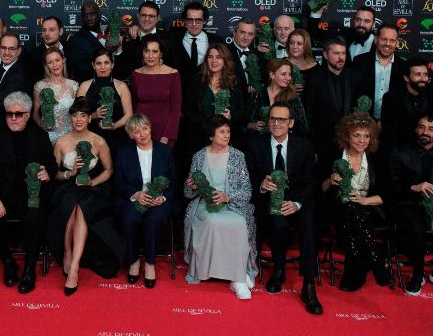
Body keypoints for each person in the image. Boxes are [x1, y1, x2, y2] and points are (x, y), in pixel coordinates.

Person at [246, 102, 323, 314]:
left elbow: (310, 182)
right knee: (277, 222)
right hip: (268, 200)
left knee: (308, 224)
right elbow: (249, 177)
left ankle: (309, 283)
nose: (276, 123)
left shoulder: (304, 146)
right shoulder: (256, 145)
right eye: (273, 119)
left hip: (299, 200)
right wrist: (261, 185)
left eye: (281, 120)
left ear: (291, 123)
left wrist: (296, 203)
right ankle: (278, 269)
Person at [0, 92, 56, 293]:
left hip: (31, 196)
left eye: (18, 114)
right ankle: (8, 262)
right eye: (9, 114)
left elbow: (52, 165)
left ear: (28, 114)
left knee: (35, 218)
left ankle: (30, 268)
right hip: (3, 195)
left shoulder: (40, 136)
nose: (13, 118)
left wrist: (47, 173)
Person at [50, 97, 124, 295]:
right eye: (74, 116)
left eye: (83, 115)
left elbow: (109, 170)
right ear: (70, 119)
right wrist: (70, 172)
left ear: (89, 118)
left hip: (93, 188)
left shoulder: (99, 141)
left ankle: (74, 266)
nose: (78, 119)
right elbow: (54, 173)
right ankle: (67, 251)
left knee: (82, 207)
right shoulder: (61, 142)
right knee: (70, 204)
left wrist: (94, 181)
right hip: (66, 186)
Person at [184, 115, 257, 299]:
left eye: (228, 131)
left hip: (232, 205)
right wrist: (191, 186)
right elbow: (187, 192)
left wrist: (227, 196)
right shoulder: (199, 157)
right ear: (211, 134)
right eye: (222, 132)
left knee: (239, 224)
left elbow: (247, 190)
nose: (226, 135)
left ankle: (237, 279)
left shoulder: (238, 156)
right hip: (204, 205)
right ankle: (223, 274)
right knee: (212, 222)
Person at [321, 113, 390, 291]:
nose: (362, 140)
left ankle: (353, 278)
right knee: (352, 210)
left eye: (366, 136)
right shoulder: (333, 155)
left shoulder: (376, 160)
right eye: (356, 135)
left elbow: (388, 194)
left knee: (355, 218)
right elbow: (319, 188)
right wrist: (330, 179)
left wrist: (365, 200)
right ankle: (375, 259)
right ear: (347, 136)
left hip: (369, 207)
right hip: (337, 206)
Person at [114, 114, 176, 289]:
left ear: (150, 128)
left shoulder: (165, 152)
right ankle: (133, 260)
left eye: (144, 129)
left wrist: (162, 197)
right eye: (136, 131)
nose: (141, 134)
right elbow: (119, 183)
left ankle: (149, 263)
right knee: (130, 219)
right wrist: (136, 194)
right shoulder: (123, 153)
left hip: (158, 200)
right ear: (130, 135)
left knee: (154, 219)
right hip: (135, 198)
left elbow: (172, 181)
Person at [388, 114, 433, 296]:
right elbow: (391, 186)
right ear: (415, 129)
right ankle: (418, 274)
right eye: (421, 127)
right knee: (417, 227)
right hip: (408, 203)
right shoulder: (400, 152)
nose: (425, 132)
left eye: (431, 129)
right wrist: (415, 187)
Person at [184, 42, 246, 161]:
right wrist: (204, 123)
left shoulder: (234, 82)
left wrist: (231, 116)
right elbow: (187, 109)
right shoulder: (197, 80)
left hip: (226, 141)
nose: (214, 61)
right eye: (210, 57)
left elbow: (242, 111)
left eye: (218, 57)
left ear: (225, 60)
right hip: (198, 138)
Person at [304, 36, 362, 161]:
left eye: (343, 53)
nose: (341, 57)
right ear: (325, 54)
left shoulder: (355, 78)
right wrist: (312, 146)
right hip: (323, 144)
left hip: (350, 144)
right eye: (336, 53)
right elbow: (308, 114)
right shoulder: (314, 78)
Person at [76, 49, 133, 155]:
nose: (103, 67)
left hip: (117, 139)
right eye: (99, 63)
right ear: (93, 65)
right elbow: (77, 115)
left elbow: (129, 115)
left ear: (112, 64)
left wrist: (114, 126)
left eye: (106, 63)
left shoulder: (122, 86)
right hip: (91, 139)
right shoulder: (84, 86)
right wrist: (93, 115)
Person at [130, 34, 181, 148]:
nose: (150, 56)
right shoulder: (136, 74)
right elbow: (133, 106)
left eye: (154, 51)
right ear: (142, 53)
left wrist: (166, 136)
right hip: (140, 131)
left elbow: (176, 110)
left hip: (164, 132)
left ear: (161, 54)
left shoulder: (172, 74)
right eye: (147, 51)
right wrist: (136, 132)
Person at [352, 23, 405, 120]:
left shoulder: (403, 66)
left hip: (392, 124)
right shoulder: (359, 62)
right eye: (384, 39)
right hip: (364, 123)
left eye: (392, 40)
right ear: (376, 40)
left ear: (397, 43)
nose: (387, 44)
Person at [247, 58, 309, 138]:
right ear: (272, 75)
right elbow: (246, 122)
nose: (288, 78)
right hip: (261, 144)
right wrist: (254, 125)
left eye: (289, 74)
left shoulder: (293, 97)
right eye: (283, 74)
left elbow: (302, 127)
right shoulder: (257, 95)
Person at [168, 1, 222, 86]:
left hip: (207, 91)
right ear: (185, 21)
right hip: (180, 91)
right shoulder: (173, 39)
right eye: (190, 20)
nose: (194, 24)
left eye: (198, 20)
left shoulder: (216, 40)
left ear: (204, 21)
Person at [65, 1, 121, 83]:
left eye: (92, 14)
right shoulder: (76, 40)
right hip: (91, 87)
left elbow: (123, 66)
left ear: (99, 14)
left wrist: (118, 51)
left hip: (116, 84)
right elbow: (81, 71)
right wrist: (106, 51)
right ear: (82, 17)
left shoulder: (112, 33)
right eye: (85, 15)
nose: (89, 18)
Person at [32, 46, 79, 144]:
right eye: (50, 62)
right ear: (46, 65)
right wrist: (42, 124)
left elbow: (78, 112)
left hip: (70, 136)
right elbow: (35, 114)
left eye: (57, 60)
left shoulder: (74, 85)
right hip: (49, 137)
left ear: (63, 60)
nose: (54, 65)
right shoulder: (40, 86)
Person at [115, 1, 167, 82]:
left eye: (151, 16)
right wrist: (118, 50)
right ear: (138, 16)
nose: (146, 19)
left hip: (161, 88)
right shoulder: (128, 38)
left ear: (158, 18)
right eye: (143, 15)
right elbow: (120, 73)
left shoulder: (168, 39)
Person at [226, 17, 264, 101]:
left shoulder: (258, 55)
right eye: (242, 32)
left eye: (250, 34)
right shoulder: (224, 53)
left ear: (254, 36)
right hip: (231, 103)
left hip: (253, 105)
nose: (246, 37)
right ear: (234, 33)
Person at [25, 16, 66, 90]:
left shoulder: (71, 48)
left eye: (51, 30)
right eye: (44, 30)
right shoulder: (33, 56)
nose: (46, 33)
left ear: (61, 31)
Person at [285, 29, 319, 97]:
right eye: (292, 43)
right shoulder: (281, 64)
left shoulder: (316, 67)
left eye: (299, 44)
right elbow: (273, 90)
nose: (295, 47)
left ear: (306, 45)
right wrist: (287, 91)